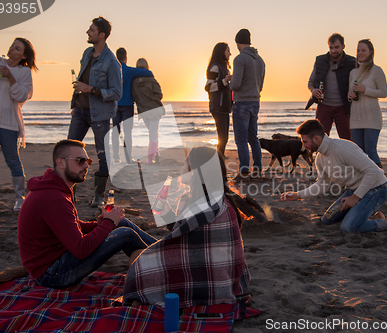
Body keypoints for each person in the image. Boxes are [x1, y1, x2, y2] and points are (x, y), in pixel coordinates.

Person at [17, 139, 157, 289]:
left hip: (56, 260)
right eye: (80, 161)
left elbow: (71, 227)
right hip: (51, 274)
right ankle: (163, 261)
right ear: (61, 163)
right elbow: (81, 249)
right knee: (125, 234)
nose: (86, 165)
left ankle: (166, 248)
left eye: (87, 161)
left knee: (120, 222)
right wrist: (108, 223)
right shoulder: (54, 198)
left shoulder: (56, 189)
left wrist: (100, 224)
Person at [123, 147, 250, 308]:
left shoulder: (202, 205)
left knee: (136, 259)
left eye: (185, 164)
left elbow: (179, 237)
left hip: (210, 281)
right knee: (135, 243)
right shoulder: (219, 198)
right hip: (226, 276)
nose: (182, 169)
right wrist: (167, 211)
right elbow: (187, 235)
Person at [281, 119, 387, 233]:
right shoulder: (320, 158)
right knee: (327, 219)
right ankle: (374, 217)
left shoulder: (342, 148)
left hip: (377, 188)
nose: (304, 146)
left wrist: (355, 197)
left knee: (349, 227)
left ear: (317, 139)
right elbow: (322, 184)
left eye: (305, 142)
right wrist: (298, 195)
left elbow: (374, 171)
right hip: (355, 190)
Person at [0, 38, 37, 212]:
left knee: (13, 160)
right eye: (12, 45)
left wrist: (10, 77)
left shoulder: (24, 72)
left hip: (7, 122)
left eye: (17, 48)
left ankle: (20, 198)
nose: (12, 49)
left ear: (23, 55)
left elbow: (21, 97)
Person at [69, 16, 122, 207]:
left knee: (103, 155)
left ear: (102, 35)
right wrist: (76, 103)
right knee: (69, 152)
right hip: (80, 113)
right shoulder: (86, 53)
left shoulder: (112, 62)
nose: (87, 32)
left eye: (91, 30)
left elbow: (116, 93)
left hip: (99, 115)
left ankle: (99, 196)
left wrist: (90, 89)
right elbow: (82, 80)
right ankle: (68, 194)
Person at [229, 28, 265, 182]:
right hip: (255, 101)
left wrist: (228, 81)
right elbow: (261, 85)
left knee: (241, 139)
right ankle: (257, 169)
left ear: (237, 42)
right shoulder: (260, 60)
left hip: (242, 102)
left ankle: (244, 172)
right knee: (253, 137)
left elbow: (235, 85)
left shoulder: (239, 59)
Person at [306, 33, 355, 140]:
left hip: (343, 108)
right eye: (331, 48)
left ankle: (345, 158)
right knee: (319, 140)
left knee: (347, 141)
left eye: (336, 47)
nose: (333, 51)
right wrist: (313, 90)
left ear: (343, 46)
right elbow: (310, 82)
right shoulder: (320, 60)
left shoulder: (352, 62)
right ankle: (322, 158)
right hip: (324, 106)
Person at [347, 39, 387, 168]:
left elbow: (383, 92)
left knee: (370, 151)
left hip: (371, 119)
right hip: (355, 119)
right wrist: (350, 96)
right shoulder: (353, 72)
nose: (360, 53)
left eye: (363, 50)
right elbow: (350, 93)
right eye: (358, 50)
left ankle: (380, 182)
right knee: (359, 153)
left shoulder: (376, 70)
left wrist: (365, 90)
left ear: (371, 52)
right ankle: (363, 183)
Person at [112, 47, 153, 164]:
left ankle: (116, 157)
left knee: (115, 132)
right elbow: (148, 72)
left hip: (115, 105)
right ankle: (128, 158)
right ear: (126, 57)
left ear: (116, 57)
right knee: (127, 133)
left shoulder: (113, 71)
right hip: (127, 105)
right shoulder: (130, 71)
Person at [132, 57, 165, 164]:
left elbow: (134, 97)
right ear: (147, 66)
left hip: (143, 111)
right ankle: (150, 159)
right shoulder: (151, 80)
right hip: (154, 110)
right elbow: (159, 95)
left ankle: (156, 154)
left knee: (153, 133)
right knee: (153, 134)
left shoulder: (134, 82)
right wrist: (151, 98)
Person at [205, 42, 233, 155]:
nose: (230, 54)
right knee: (223, 137)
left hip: (225, 107)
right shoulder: (215, 66)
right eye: (228, 51)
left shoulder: (225, 67)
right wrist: (224, 81)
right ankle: (218, 159)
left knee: (224, 138)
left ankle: (219, 158)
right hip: (218, 107)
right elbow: (208, 87)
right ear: (222, 52)